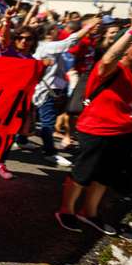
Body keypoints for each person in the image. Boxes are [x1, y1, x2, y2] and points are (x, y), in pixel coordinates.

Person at [55, 10, 132, 234]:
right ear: (126, 47)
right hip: (98, 131)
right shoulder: (111, 69)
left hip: (125, 135)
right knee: (82, 174)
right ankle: (66, 210)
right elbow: (109, 58)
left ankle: (89, 213)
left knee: (104, 177)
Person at [32, 17, 100, 167]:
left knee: (32, 117)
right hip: (46, 90)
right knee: (47, 123)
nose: (60, 31)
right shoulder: (48, 46)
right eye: (57, 29)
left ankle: (22, 140)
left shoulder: (47, 46)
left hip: (49, 88)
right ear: (50, 33)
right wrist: (88, 27)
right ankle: (49, 152)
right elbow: (70, 42)